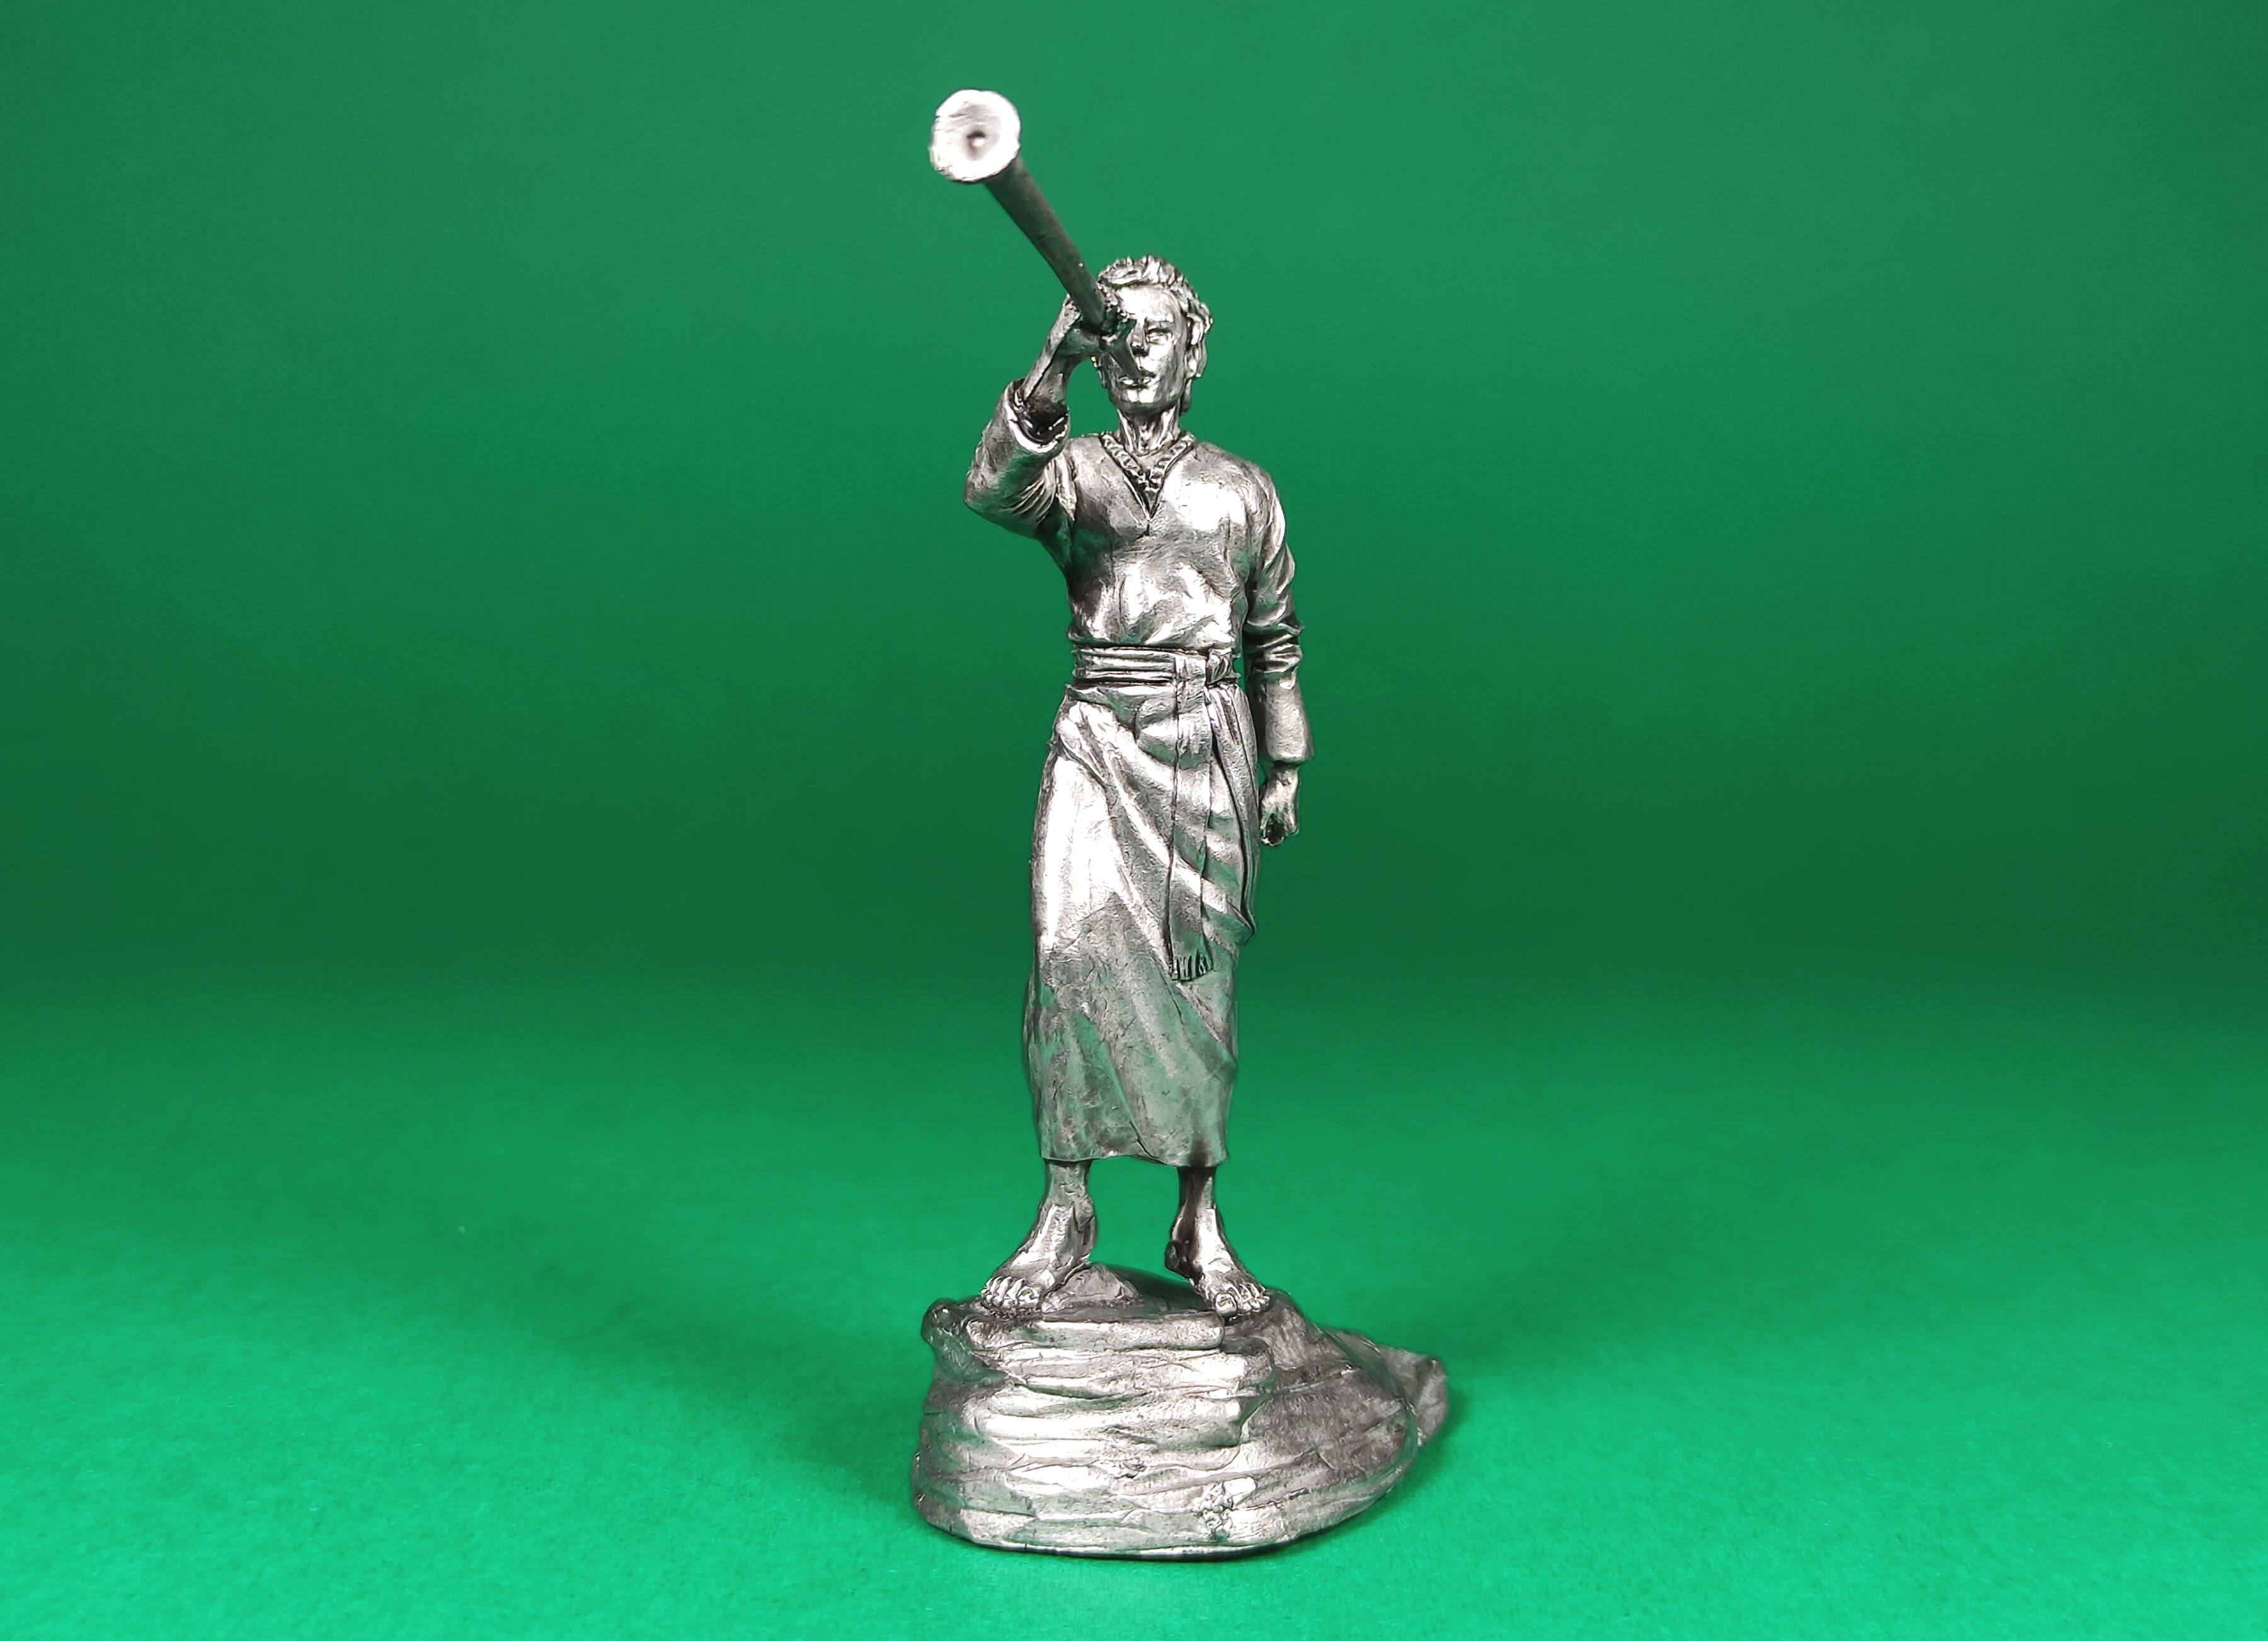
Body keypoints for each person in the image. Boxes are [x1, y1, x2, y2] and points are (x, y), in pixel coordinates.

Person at [963, 255, 1310, 1319]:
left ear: (1194, 355)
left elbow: (1275, 635)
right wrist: (1051, 363)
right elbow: (992, 491)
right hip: (1097, 737)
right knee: (1067, 953)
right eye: (1120, 337)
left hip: (1206, 748)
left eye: (1158, 334)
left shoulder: (1242, 488)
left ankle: (1199, 1218)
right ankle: (1065, 1207)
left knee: (1200, 985)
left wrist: (1287, 761)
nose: (1138, 353)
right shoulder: (1072, 472)